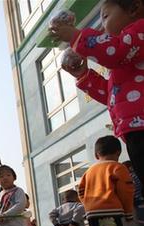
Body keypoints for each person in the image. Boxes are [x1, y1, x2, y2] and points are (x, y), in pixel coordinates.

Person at [50, 0, 144, 182]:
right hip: (135, 130)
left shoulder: (140, 30)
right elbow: (113, 95)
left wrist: (76, 37)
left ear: (134, 8)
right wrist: (84, 76)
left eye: (106, 16)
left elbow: (116, 51)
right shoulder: (128, 57)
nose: (102, 26)